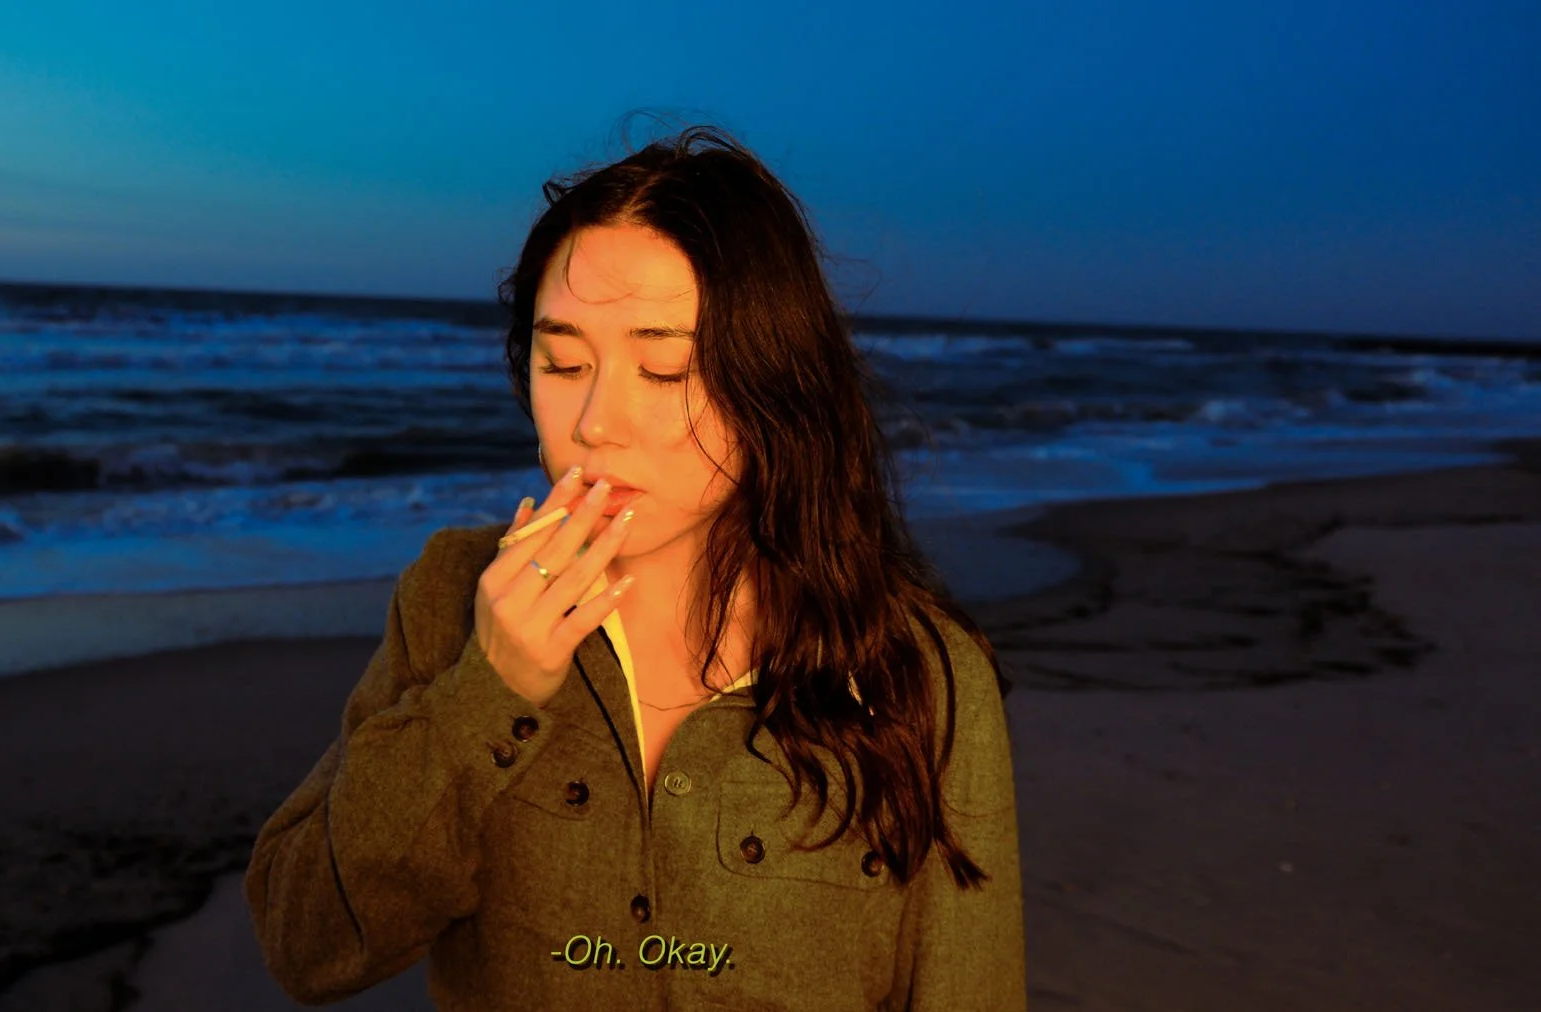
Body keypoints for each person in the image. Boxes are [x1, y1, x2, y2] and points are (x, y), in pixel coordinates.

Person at [244, 122, 1024, 1011]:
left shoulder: (920, 673)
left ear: (773, 381)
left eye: (664, 367)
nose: (595, 421)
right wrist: (486, 691)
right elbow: (305, 944)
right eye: (564, 361)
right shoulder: (454, 600)